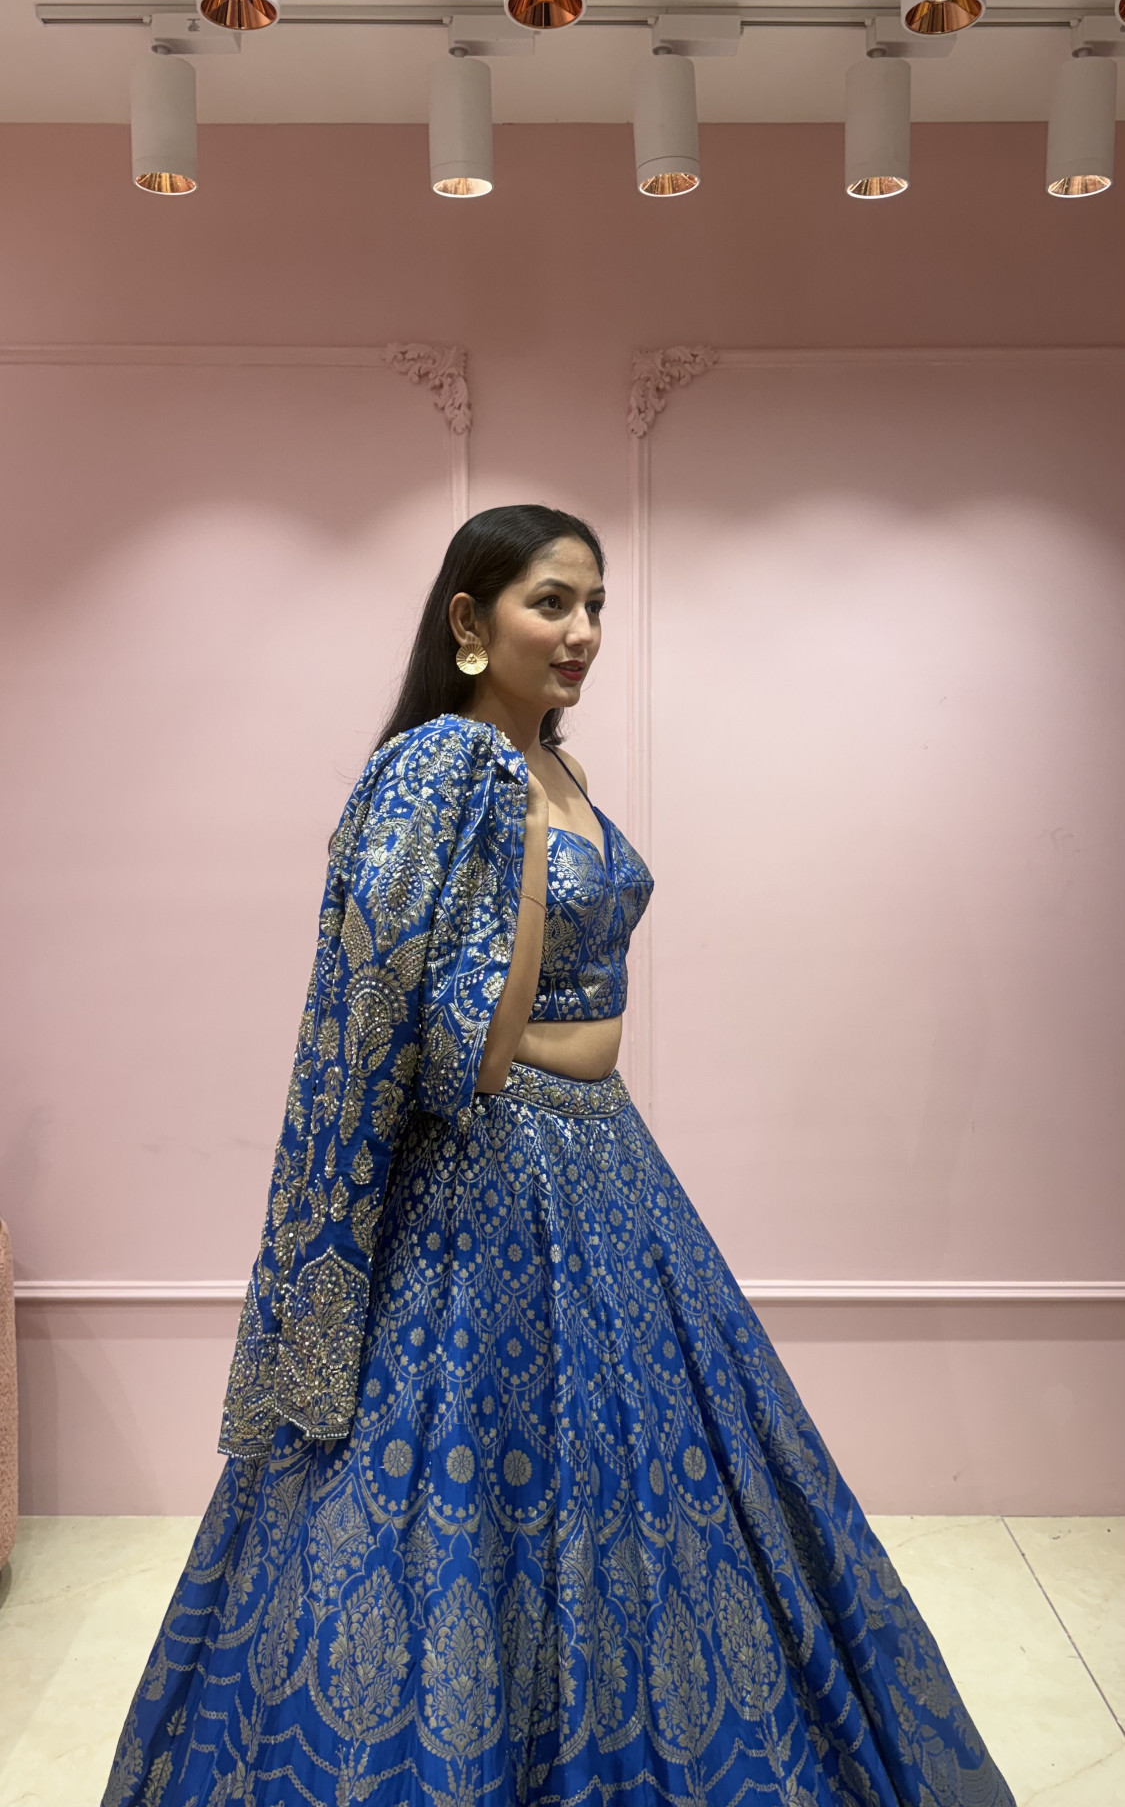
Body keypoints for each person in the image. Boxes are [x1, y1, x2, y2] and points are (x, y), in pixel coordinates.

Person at [102, 503, 1016, 1807]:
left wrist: (533, 810)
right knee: (462, 1502)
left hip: (607, 1167)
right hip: (486, 1181)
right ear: (468, 622)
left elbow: (570, 1003)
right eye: (551, 602)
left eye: (594, 604)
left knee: (645, 1494)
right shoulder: (444, 769)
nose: (583, 631)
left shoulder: (551, 769)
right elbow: (461, 1045)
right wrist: (518, 836)